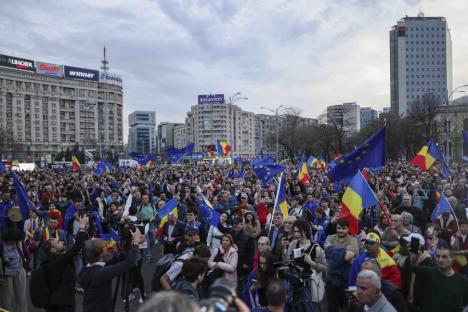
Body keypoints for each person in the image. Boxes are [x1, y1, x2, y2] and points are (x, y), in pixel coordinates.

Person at [78, 227, 143, 312]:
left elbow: (112, 261)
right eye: (104, 245)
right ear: (100, 253)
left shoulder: (87, 269)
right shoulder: (100, 273)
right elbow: (128, 263)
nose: (107, 245)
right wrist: (136, 244)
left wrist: (127, 246)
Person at [42, 215, 89, 312]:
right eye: (58, 242)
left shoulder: (54, 260)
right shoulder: (57, 261)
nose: (62, 242)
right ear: (53, 249)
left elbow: (61, 283)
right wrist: (81, 228)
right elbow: (76, 248)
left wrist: (75, 290)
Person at [283, 218, 327, 312]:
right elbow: (286, 262)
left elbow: (324, 268)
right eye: (295, 231)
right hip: (294, 286)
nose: (296, 234)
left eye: (299, 231)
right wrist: (285, 249)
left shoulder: (316, 248)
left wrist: (311, 262)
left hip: (309, 288)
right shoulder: (293, 244)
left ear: (306, 232)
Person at [411, 246, 468, 312]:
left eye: (444, 257)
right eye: (437, 256)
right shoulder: (429, 272)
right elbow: (414, 267)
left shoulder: (463, 281)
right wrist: (415, 257)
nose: (440, 260)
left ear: (452, 258)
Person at [324, 218, 359, 312]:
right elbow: (327, 255)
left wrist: (331, 249)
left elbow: (347, 257)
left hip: (346, 280)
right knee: (331, 306)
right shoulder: (330, 238)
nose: (341, 230)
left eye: (343, 228)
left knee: (346, 307)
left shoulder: (353, 241)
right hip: (330, 278)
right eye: (339, 228)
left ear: (348, 229)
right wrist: (342, 252)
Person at [0, 228, 30, 312]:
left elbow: (27, 255)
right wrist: (4, 260)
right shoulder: (1, 244)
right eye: (11, 241)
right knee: (6, 299)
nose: (13, 243)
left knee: (22, 297)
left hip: (20, 270)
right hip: (6, 274)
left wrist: (26, 265)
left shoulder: (19, 243)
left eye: (15, 241)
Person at [232, 216, 255, 291]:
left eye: (237, 223)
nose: (234, 225)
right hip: (233, 261)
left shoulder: (248, 237)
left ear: (242, 224)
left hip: (242, 264)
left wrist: (247, 263)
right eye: (233, 223)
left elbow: (251, 252)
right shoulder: (231, 233)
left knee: (241, 284)